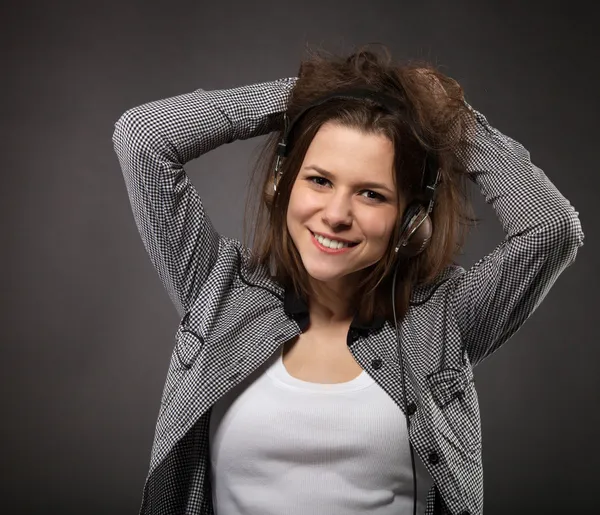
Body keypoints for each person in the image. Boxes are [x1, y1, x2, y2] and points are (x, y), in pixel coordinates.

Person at [112, 47, 584, 515]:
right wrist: (308, 99)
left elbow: (552, 228)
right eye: (319, 180)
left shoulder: (443, 320)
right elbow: (142, 138)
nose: (336, 215)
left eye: (371, 194)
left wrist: (450, 121)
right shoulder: (217, 290)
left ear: (411, 220)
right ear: (282, 183)